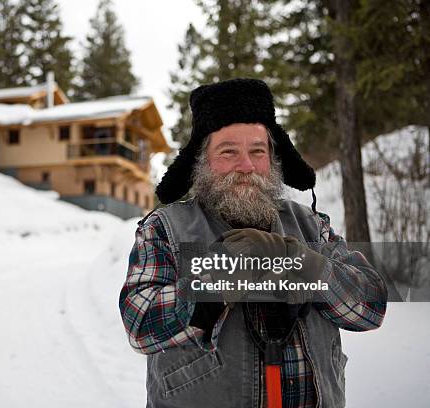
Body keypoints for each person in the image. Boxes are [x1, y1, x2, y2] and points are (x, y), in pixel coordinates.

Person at [118, 78, 387, 408]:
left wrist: (306, 263)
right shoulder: (166, 229)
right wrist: (217, 279)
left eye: (257, 151)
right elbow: (140, 323)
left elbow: (370, 306)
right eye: (228, 151)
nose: (246, 167)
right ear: (202, 161)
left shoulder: (311, 227)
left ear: (273, 159)